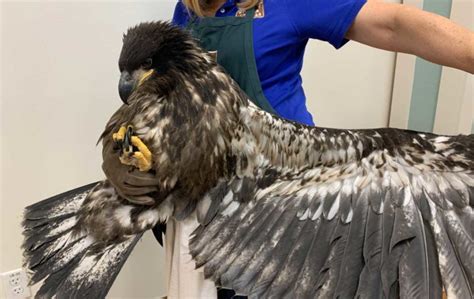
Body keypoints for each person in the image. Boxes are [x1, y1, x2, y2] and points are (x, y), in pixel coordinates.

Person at [105, 0, 474, 298]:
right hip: (210, 201)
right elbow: (167, 100)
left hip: (288, 196)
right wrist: (121, 153)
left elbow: (393, 23)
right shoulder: (186, 12)